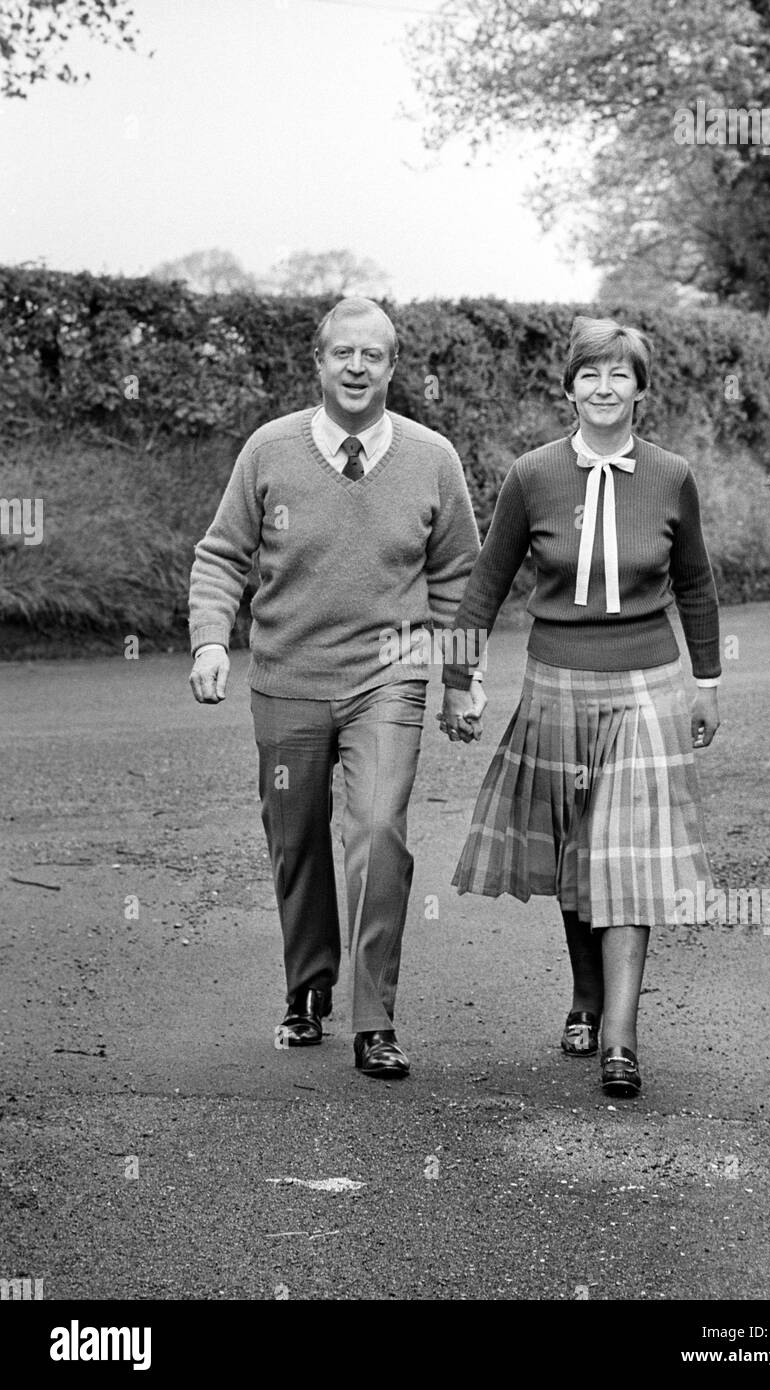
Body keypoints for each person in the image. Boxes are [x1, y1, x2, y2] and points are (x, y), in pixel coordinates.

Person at [188, 298, 484, 1079]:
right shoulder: (269, 450)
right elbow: (221, 555)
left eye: (373, 356)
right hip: (287, 677)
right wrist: (212, 640)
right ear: (317, 363)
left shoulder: (431, 458)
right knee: (296, 841)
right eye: (342, 354)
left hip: (389, 676)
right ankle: (308, 985)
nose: (357, 368)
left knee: (379, 829)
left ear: (393, 368)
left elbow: (458, 576)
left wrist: (459, 679)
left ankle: (374, 1020)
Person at [439, 314, 721, 1098]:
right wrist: (459, 678)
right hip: (556, 683)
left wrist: (708, 681)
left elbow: (695, 583)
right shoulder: (533, 475)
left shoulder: (671, 476)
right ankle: (586, 997)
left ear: (641, 390)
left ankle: (621, 1038)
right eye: (589, 374)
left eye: (619, 374)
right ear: (568, 387)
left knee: (626, 854)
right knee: (575, 851)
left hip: (647, 687)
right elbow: (487, 586)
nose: (604, 387)